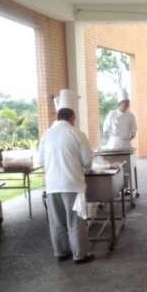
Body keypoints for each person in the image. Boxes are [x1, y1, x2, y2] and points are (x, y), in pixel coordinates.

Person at [38, 108, 94, 264]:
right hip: (72, 184)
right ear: (71, 118)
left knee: (57, 221)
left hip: (52, 186)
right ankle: (80, 255)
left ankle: (61, 253)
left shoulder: (46, 135)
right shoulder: (77, 134)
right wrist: (86, 168)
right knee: (75, 221)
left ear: (58, 118)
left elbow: (40, 160)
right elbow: (87, 161)